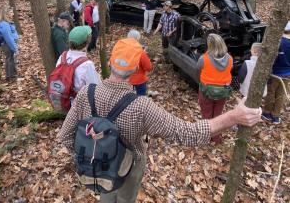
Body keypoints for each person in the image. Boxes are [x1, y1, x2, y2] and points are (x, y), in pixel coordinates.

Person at [59, 38, 262, 203]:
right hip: (129, 167)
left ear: (111, 62)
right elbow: (187, 133)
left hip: (98, 164)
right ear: (136, 67)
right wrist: (234, 116)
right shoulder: (141, 106)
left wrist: (89, 154)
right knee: (125, 198)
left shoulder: (86, 93)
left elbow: (65, 136)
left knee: (106, 193)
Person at [197, 33, 233, 144]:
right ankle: (216, 138)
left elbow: (197, 68)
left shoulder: (204, 58)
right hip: (222, 91)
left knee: (206, 114)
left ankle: (205, 138)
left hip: (206, 90)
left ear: (210, 45)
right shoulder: (230, 59)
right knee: (217, 115)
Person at [56, 26, 101, 95]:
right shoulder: (87, 65)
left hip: (64, 100)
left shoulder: (62, 57)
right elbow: (96, 89)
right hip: (80, 103)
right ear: (87, 42)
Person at [262, 21, 290, 124]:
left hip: (276, 73)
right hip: (287, 74)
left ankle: (267, 112)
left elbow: (273, 58)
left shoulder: (279, 42)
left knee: (271, 92)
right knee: (281, 94)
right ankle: (276, 115)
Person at [0, 7, 19, 81]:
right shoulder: (4, 24)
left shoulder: (5, 23)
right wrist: (15, 48)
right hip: (7, 45)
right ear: (6, 14)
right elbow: (8, 38)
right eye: (11, 12)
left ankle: (11, 76)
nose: (13, 14)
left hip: (8, 44)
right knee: (10, 60)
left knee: (10, 59)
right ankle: (11, 77)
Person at [127, 29, 152, 95]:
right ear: (137, 39)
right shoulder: (140, 52)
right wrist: (144, 53)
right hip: (139, 81)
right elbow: (148, 68)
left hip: (125, 79)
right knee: (141, 98)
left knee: (127, 99)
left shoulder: (122, 50)